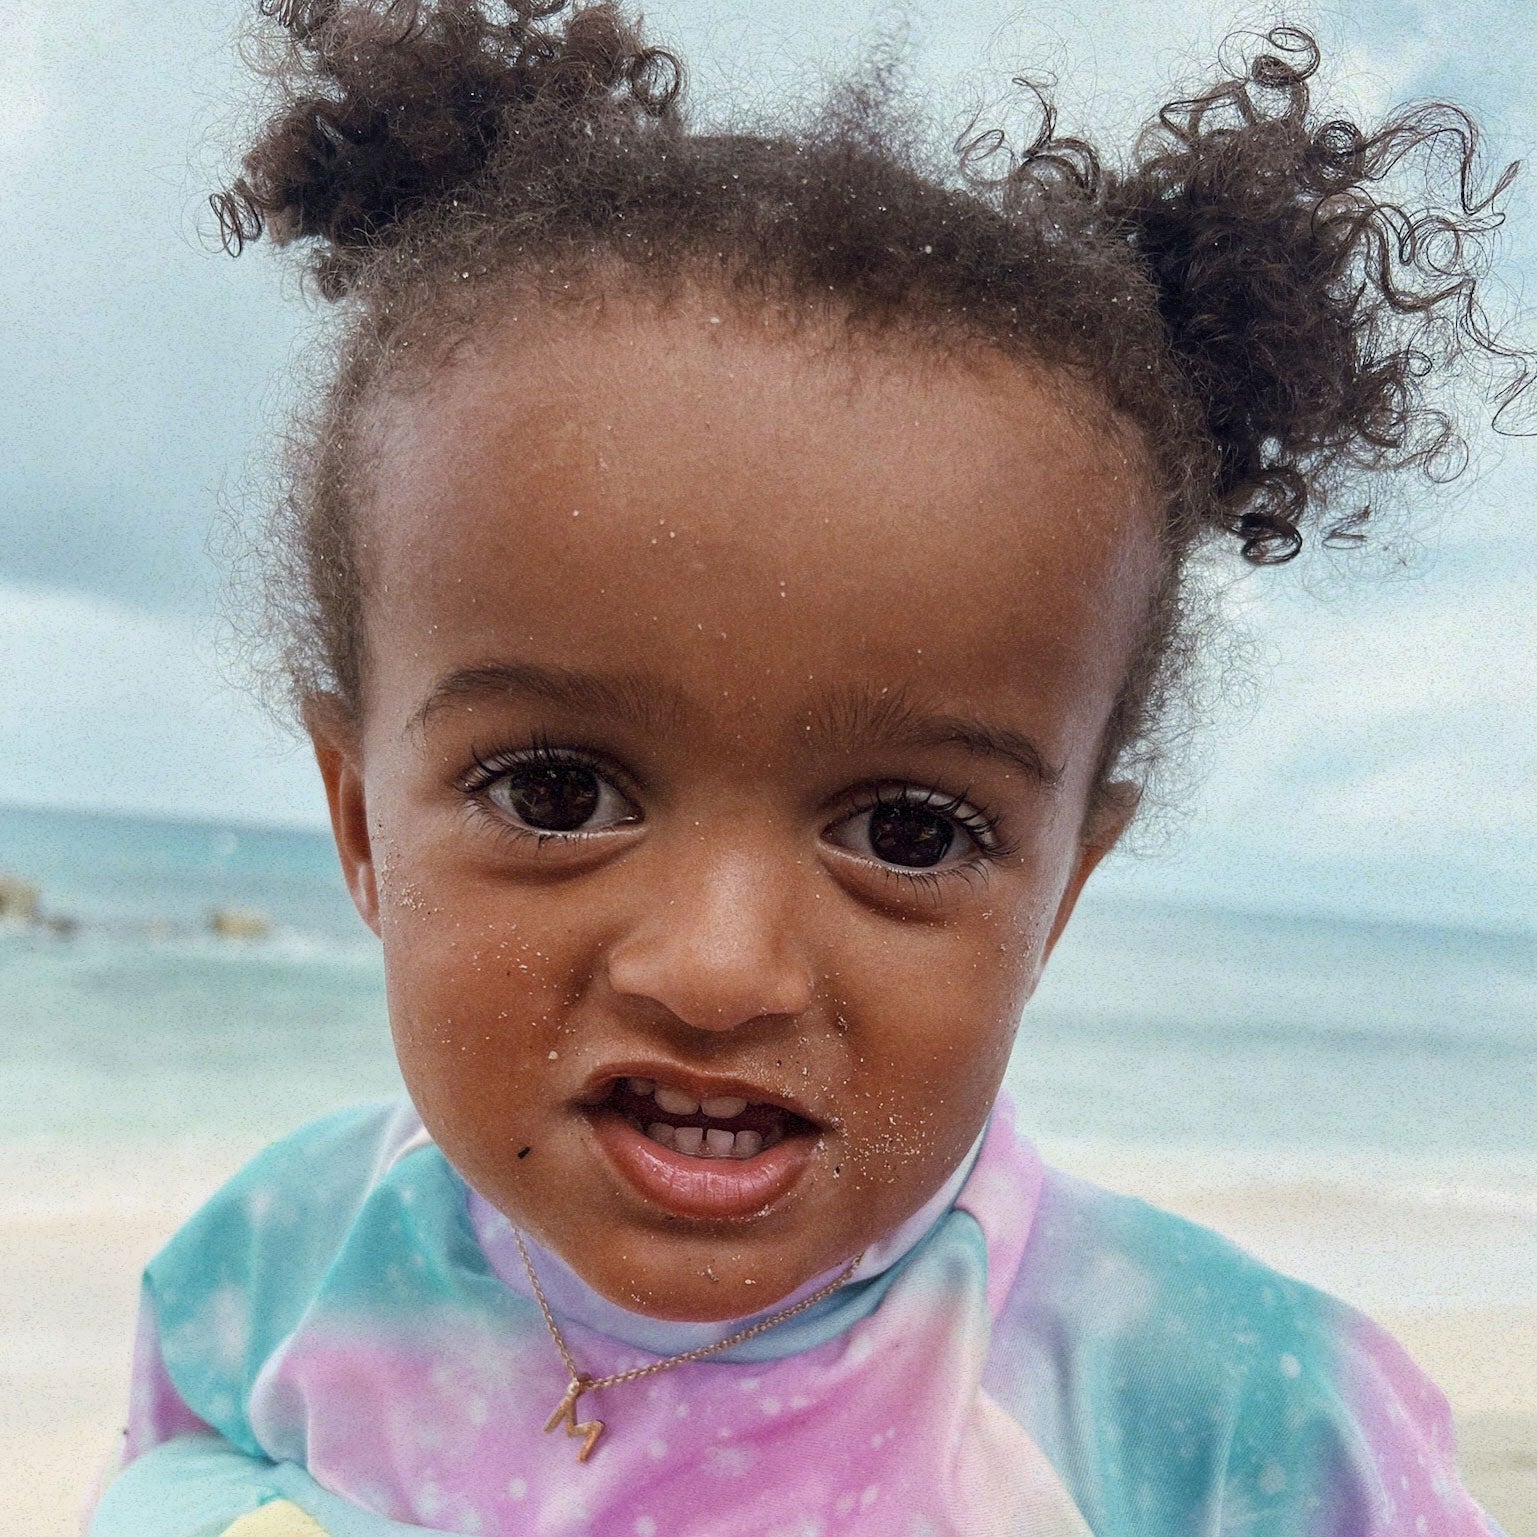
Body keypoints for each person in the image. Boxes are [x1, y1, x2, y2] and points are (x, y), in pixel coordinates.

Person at [88, 3, 1527, 1533]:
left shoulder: (1226, 1421)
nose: (717, 970)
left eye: (909, 829)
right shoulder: (269, 1265)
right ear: (361, 818)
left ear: (1060, 890)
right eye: (558, 793)